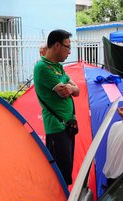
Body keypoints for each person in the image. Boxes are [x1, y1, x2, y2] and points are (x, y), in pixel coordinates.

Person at [33, 29, 79, 186]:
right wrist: (70, 88)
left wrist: (71, 88)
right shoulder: (42, 68)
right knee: (59, 176)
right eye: (68, 47)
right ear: (57, 45)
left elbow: (76, 90)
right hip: (56, 128)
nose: (69, 52)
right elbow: (65, 91)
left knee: (67, 171)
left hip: (67, 126)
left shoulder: (58, 67)